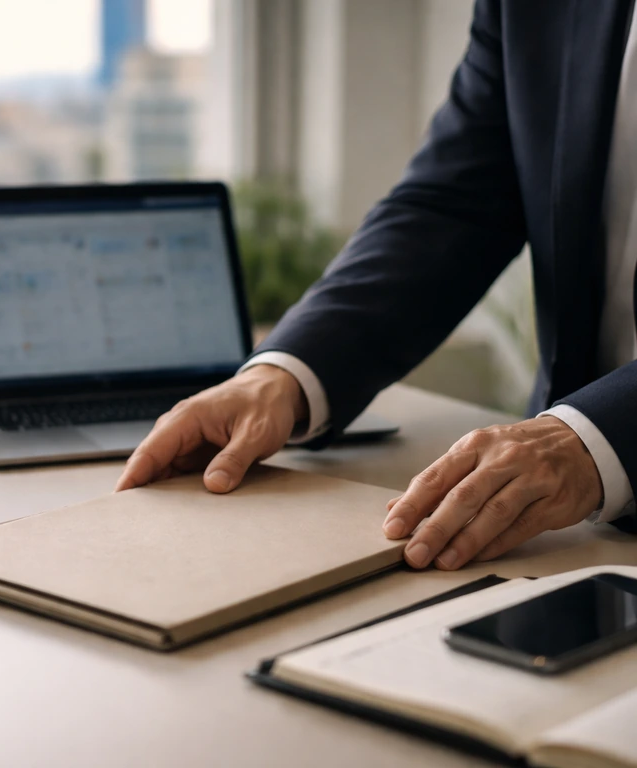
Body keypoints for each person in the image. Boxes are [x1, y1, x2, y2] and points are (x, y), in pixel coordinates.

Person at [115, 0, 637, 570]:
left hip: (577, 466)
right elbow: (455, 204)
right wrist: (287, 373)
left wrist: (598, 437)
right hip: (564, 531)